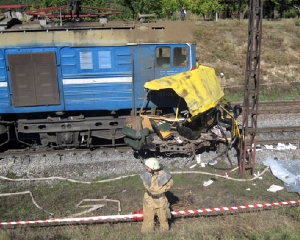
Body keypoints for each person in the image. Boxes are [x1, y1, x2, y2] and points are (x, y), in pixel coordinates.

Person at [140, 157, 173, 233]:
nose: (146, 168)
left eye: (148, 167)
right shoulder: (146, 173)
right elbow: (145, 184)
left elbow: (170, 184)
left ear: (153, 168)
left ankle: (164, 234)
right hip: (149, 199)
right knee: (148, 218)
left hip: (160, 200)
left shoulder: (164, 174)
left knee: (163, 218)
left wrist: (161, 190)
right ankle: (147, 233)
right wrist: (152, 190)